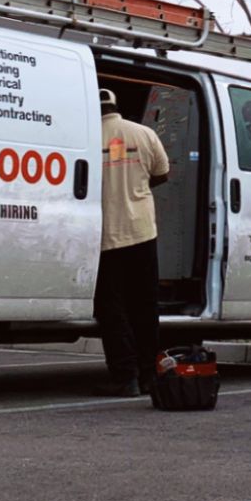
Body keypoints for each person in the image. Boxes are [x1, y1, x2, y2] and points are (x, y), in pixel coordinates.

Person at [94, 88, 170, 397]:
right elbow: (162, 174)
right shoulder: (144, 134)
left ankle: (125, 376)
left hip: (106, 235)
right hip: (142, 231)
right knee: (145, 306)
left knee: (111, 308)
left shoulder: (87, 138)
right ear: (117, 106)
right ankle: (150, 375)